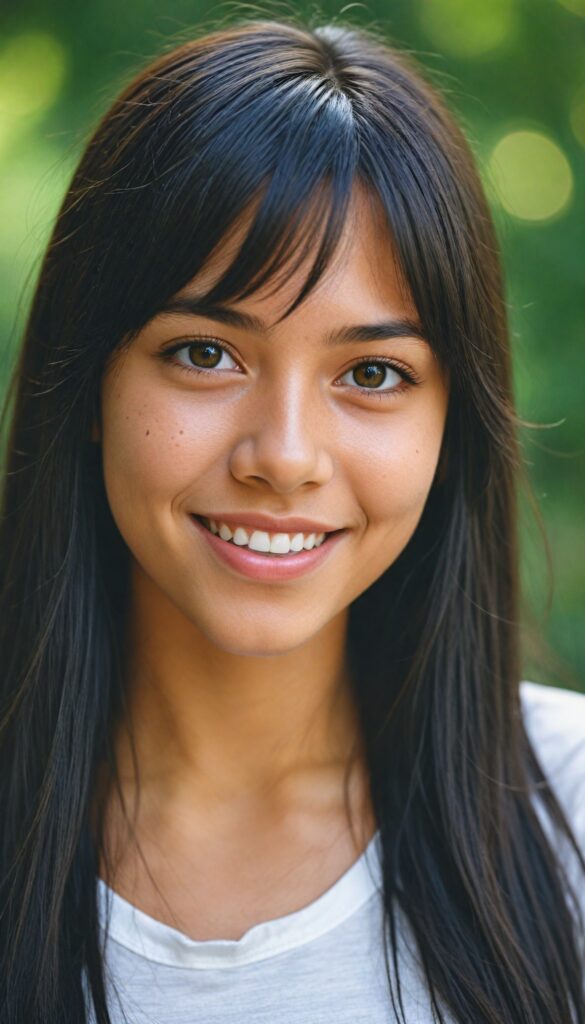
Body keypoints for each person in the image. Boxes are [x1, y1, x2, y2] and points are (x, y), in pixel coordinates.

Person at [0, 14, 583, 1024]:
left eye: (371, 373)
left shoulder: (569, 814)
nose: (284, 455)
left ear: (453, 428)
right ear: (89, 381)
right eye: (205, 352)